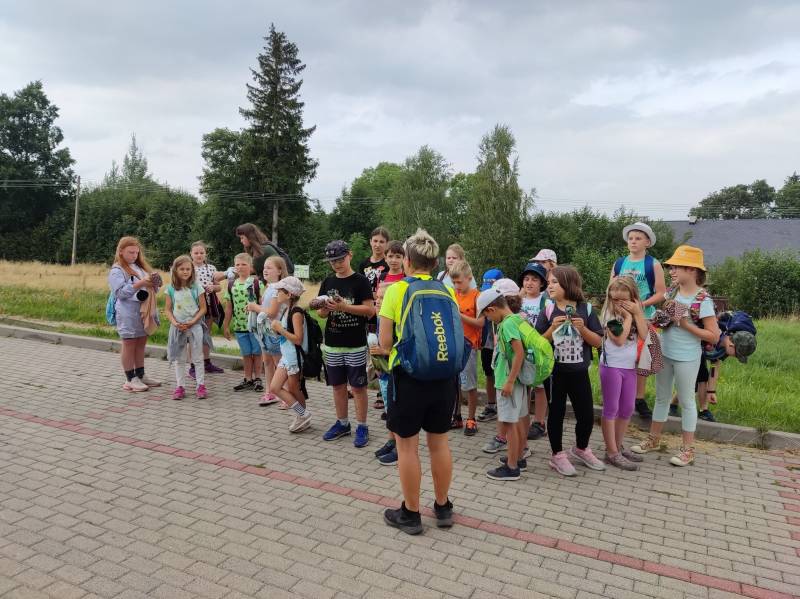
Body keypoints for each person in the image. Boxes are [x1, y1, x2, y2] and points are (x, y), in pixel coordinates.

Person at [379, 229, 458, 535]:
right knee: (439, 443)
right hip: (444, 377)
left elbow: (386, 343)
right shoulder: (446, 291)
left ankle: (410, 514)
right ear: (435, 262)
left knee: (407, 447)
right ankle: (443, 507)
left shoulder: (397, 291)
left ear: (407, 261)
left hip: (409, 378)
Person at [631, 246, 720, 467]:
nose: (671, 271)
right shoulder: (672, 292)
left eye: (676, 267)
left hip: (687, 357)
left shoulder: (703, 299)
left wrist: (686, 325)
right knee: (661, 398)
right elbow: (666, 319)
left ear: (692, 270)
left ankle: (688, 450)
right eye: (670, 267)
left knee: (687, 401)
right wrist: (656, 320)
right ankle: (653, 439)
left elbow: (714, 335)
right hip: (666, 352)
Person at [535, 265, 605, 476]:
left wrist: (582, 328)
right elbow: (537, 342)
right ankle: (557, 455)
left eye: (554, 282)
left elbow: (598, 341)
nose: (549, 286)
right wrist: (551, 329)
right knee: (556, 413)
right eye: (548, 282)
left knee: (586, 414)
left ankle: (581, 448)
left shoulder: (586, 309)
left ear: (568, 284)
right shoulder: (548, 310)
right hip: (554, 373)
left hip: (579, 371)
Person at [314, 240, 375, 448]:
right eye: (332, 261)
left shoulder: (361, 281)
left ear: (350, 255)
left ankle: (362, 426)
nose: (337, 264)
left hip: (355, 343)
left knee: (358, 387)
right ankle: (342, 423)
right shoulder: (328, 281)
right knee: (338, 386)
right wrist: (326, 309)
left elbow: (370, 310)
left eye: (340, 259)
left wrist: (344, 307)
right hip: (332, 342)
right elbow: (321, 313)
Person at [611, 222, 667, 420]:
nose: (633, 242)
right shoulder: (619, 263)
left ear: (647, 242)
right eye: (631, 238)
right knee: (622, 353)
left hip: (644, 316)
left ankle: (639, 398)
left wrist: (641, 305)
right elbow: (611, 287)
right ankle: (621, 393)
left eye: (638, 238)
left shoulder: (653, 264)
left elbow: (661, 293)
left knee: (643, 356)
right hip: (621, 315)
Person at [598, 276, 649, 470]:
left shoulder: (635, 311)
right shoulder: (608, 313)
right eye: (616, 298)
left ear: (632, 296)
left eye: (624, 299)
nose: (619, 302)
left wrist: (637, 313)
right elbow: (619, 340)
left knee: (627, 408)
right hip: (611, 366)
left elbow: (644, 335)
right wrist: (628, 317)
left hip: (629, 367)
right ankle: (611, 452)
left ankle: (618, 447)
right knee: (611, 408)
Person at [477, 288, 528, 481]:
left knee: (509, 423)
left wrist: (509, 382)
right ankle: (519, 458)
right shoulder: (516, 319)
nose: (488, 320)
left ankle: (511, 467)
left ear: (491, 309)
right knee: (519, 420)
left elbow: (519, 353)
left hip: (508, 381)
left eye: (486, 316)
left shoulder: (506, 325)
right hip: (516, 381)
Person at [108, 236, 161, 392]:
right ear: (121, 251)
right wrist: (141, 283)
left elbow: (153, 289)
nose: (134, 255)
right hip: (127, 313)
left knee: (141, 343)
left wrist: (155, 282)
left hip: (143, 311)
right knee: (129, 344)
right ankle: (130, 378)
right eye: (130, 252)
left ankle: (141, 374)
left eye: (136, 253)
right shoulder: (117, 270)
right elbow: (120, 293)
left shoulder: (140, 267)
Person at [267, 276, 312, 433]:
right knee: (275, 387)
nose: (277, 293)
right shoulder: (287, 310)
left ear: (289, 294)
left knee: (294, 390)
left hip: (294, 358)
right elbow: (287, 333)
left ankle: (302, 416)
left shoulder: (296, 312)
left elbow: (298, 339)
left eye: (280, 291)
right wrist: (277, 330)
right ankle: (303, 415)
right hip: (286, 356)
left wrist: (280, 329)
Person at [246, 256, 290, 407]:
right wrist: (254, 308)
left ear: (279, 271)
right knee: (267, 363)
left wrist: (254, 307)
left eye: (269, 268)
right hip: (264, 332)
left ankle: (286, 395)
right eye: (264, 267)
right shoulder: (269, 287)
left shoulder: (278, 289)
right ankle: (270, 392)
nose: (265, 270)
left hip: (274, 333)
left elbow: (271, 312)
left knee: (279, 364)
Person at [164, 255, 208, 400]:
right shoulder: (170, 289)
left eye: (188, 269)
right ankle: (180, 386)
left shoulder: (197, 287)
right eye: (182, 269)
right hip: (178, 328)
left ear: (192, 271)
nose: (185, 272)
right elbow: (168, 309)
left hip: (194, 327)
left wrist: (193, 321)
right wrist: (174, 322)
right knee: (179, 358)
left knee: (197, 357)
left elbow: (203, 308)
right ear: (175, 270)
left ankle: (200, 385)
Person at [450, 261, 483, 436]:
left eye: (459, 282)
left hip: (469, 345)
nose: (457, 285)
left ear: (469, 278)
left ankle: (471, 419)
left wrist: (459, 316)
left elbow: (480, 323)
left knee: (469, 384)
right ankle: (456, 416)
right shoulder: (452, 294)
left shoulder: (477, 296)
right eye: (454, 282)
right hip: (453, 344)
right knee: (453, 382)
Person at [222, 253, 264, 392]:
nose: (240, 267)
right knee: (246, 353)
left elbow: (263, 304)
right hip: (239, 326)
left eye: (244, 264)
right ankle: (248, 378)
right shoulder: (231, 285)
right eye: (237, 264)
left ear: (250, 267)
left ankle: (258, 378)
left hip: (255, 326)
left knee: (257, 353)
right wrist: (226, 325)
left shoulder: (257, 283)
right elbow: (229, 307)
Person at [519, 261, 550, 442]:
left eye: (534, 280)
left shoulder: (546, 302)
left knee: (539, 386)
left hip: (538, 349)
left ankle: (539, 422)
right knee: (524, 385)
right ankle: (522, 419)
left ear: (542, 283)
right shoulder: (518, 301)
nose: (529, 283)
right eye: (526, 279)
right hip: (521, 349)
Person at [371, 282, 398, 465]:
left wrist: (383, 351)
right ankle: (391, 440)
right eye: (378, 297)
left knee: (395, 411)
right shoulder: (381, 317)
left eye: (383, 298)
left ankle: (399, 448)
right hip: (383, 372)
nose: (379, 301)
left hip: (394, 372)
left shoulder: (395, 320)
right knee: (389, 409)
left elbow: (399, 347)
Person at [189, 241, 224, 377]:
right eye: (196, 253)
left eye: (201, 252)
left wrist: (213, 287)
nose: (199, 255)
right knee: (194, 335)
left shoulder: (211, 268)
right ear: (191, 254)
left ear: (205, 254)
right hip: (193, 306)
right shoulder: (188, 268)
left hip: (209, 305)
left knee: (206, 334)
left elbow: (219, 287)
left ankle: (206, 362)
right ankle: (193, 366)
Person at [477, 269, 503, 427]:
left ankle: (504, 408)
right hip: (487, 344)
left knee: (502, 375)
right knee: (489, 373)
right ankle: (491, 405)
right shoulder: (482, 300)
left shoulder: (506, 304)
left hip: (501, 344)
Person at [358, 226, 390, 293]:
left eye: (381, 242)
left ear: (387, 243)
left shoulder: (389, 264)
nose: (377, 245)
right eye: (375, 241)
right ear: (370, 242)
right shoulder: (363, 264)